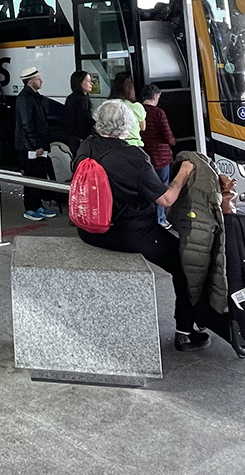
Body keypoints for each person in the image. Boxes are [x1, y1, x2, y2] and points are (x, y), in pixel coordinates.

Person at [74, 99, 221, 351]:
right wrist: (184, 172)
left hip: (89, 231)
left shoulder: (86, 146)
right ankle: (184, 332)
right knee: (184, 263)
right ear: (127, 126)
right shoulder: (134, 157)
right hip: (130, 234)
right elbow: (166, 199)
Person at [14, 66, 56, 221]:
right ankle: (30, 208)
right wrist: (35, 145)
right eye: (38, 79)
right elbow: (26, 124)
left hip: (36, 145)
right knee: (31, 177)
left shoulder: (34, 97)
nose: (41, 81)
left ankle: (37, 205)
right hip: (28, 148)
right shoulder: (25, 99)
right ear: (30, 81)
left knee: (38, 176)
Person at [140, 84, 178, 226]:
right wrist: (173, 141)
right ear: (155, 96)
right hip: (160, 157)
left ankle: (148, 219)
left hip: (143, 155)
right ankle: (160, 220)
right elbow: (167, 135)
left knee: (146, 188)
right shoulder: (158, 113)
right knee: (161, 189)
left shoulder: (138, 111)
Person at [109, 71, 146, 146]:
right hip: (133, 143)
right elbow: (143, 127)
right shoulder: (136, 106)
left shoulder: (108, 105)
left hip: (113, 144)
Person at [63, 70, 94, 148]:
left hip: (75, 137)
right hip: (80, 138)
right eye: (88, 81)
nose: (91, 83)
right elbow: (83, 120)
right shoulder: (80, 99)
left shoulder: (75, 97)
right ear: (80, 82)